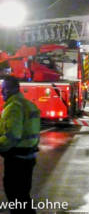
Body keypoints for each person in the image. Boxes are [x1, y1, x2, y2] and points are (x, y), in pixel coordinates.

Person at [0, 75, 40, 213]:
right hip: (29, 157)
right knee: (23, 196)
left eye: (4, 89)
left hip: (16, 159)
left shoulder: (13, 108)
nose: (2, 92)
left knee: (15, 196)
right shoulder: (29, 105)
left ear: (12, 90)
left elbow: (11, 137)